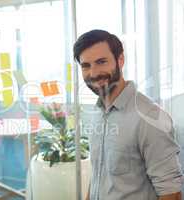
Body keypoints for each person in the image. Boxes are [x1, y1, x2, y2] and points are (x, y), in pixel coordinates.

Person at [73, 29, 183, 200]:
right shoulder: (96, 113)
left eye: (101, 62)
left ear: (120, 60)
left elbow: (171, 193)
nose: (93, 73)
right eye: (86, 66)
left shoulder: (150, 117)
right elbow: (98, 176)